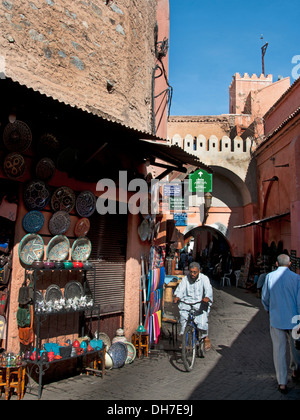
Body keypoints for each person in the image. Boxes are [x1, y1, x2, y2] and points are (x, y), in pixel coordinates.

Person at [261, 254, 300, 394]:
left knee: (279, 351)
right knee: (296, 348)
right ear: (290, 264)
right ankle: (296, 370)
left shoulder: (270, 277)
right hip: (295, 319)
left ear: (276, 264)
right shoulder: (296, 278)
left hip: (277, 318)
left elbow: (265, 297)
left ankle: (282, 382)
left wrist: (267, 309)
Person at [174, 262, 213, 351]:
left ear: (199, 271)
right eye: (191, 272)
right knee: (183, 321)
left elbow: (208, 289)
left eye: (195, 272)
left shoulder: (204, 279)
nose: (192, 274)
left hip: (200, 304)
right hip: (187, 304)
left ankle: (205, 337)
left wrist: (207, 297)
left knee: (202, 323)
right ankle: (185, 340)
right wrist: (177, 297)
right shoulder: (185, 279)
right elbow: (181, 289)